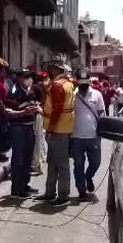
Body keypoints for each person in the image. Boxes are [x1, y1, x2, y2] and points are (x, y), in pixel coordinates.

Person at [36, 60, 75, 207]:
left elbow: (57, 110)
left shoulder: (58, 85)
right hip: (63, 128)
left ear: (57, 69)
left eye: (52, 68)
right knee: (52, 163)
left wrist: (51, 128)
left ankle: (63, 195)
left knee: (61, 164)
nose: (50, 71)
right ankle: (50, 193)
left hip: (58, 129)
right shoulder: (67, 83)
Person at [6, 69, 41, 199]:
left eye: (30, 76)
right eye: (26, 76)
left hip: (29, 127)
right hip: (18, 127)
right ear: (19, 78)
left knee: (27, 158)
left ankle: (24, 185)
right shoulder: (14, 91)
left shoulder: (30, 91)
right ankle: (16, 189)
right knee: (19, 158)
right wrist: (23, 111)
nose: (28, 79)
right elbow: (9, 109)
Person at [72, 71, 105, 201]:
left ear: (89, 82)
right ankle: (81, 190)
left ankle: (88, 176)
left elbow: (102, 112)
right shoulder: (72, 95)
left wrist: (101, 128)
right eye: (81, 83)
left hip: (94, 136)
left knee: (96, 163)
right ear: (77, 82)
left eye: (86, 83)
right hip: (77, 137)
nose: (83, 86)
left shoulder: (97, 95)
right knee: (78, 165)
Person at [30, 71, 49, 176]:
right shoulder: (44, 87)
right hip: (41, 114)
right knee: (41, 139)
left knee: (38, 139)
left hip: (38, 115)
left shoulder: (36, 87)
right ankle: (40, 162)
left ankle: (37, 164)